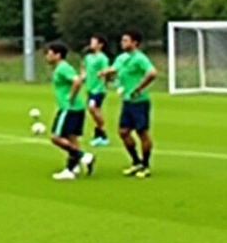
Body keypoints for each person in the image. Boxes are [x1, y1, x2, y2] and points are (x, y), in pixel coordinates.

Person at [101, 30, 159, 178]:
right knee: (123, 132)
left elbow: (152, 73)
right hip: (126, 101)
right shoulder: (121, 58)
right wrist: (106, 73)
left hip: (139, 101)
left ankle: (145, 165)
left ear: (135, 43)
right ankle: (136, 161)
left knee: (142, 132)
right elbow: (114, 70)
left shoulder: (140, 58)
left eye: (126, 40)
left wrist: (139, 88)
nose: (122, 43)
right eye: (122, 40)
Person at [46, 42, 94, 181]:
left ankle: (83, 157)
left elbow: (76, 82)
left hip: (68, 108)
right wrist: (82, 76)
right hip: (77, 108)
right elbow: (78, 79)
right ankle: (72, 168)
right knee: (72, 138)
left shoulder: (62, 68)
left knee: (56, 138)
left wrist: (70, 97)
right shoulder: (64, 67)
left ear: (58, 55)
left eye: (49, 53)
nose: (47, 56)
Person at [82, 35, 111, 147]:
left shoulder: (103, 58)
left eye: (94, 42)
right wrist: (81, 78)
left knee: (92, 107)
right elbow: (84, 70)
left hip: (98, 89)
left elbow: (106, 71)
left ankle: (101, 131)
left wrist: (104, 77)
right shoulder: (88, 57)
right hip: (89, 88)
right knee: (94, 110)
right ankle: (100, 134)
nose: (91, 44)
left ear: (100, 45)